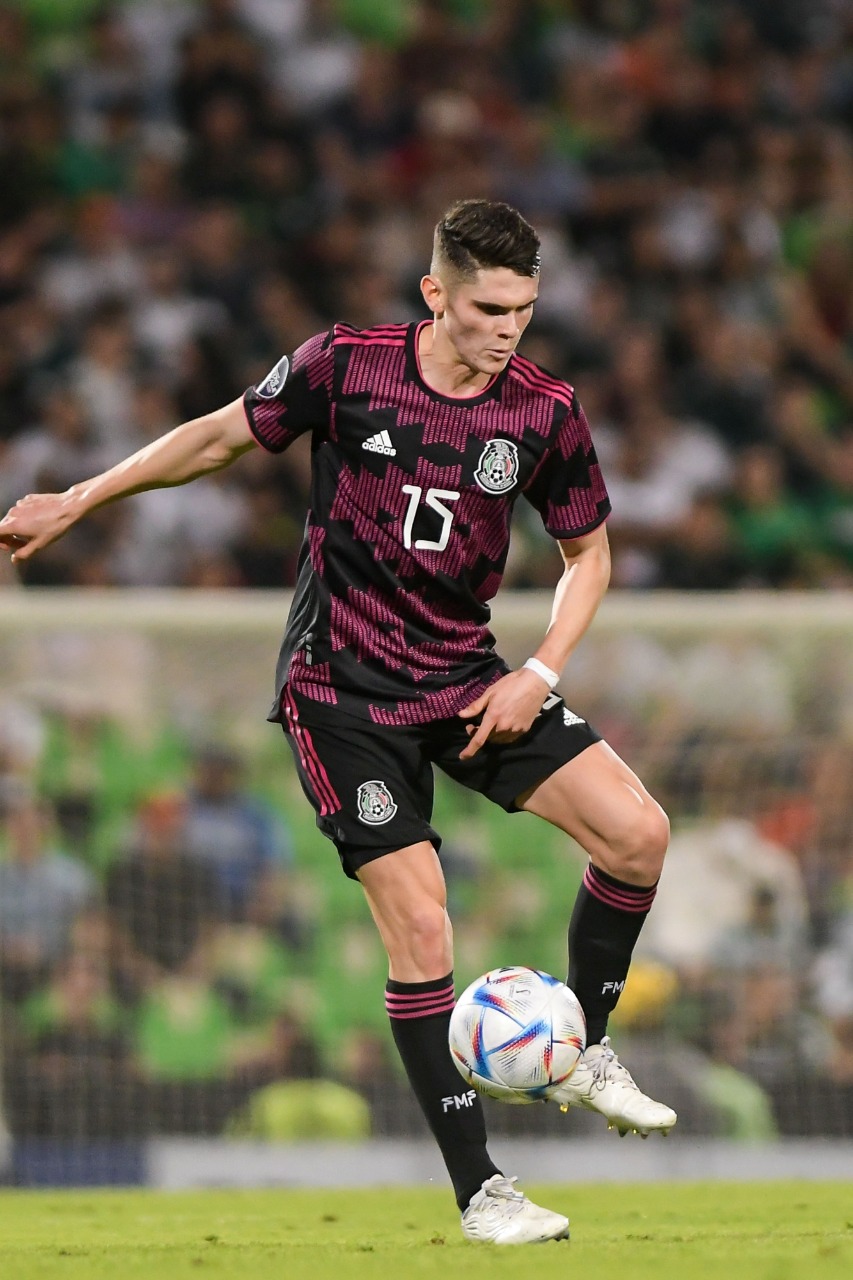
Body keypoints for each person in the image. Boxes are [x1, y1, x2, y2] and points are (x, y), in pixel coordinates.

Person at [1, 199, 675, 1244]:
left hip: (465, 678)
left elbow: (587, 556)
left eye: (524, 310)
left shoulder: (543, 411)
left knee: (639, 833)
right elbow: (218, 438)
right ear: (435, 293)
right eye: (488, 309)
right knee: (421, 923)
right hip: (341, 691)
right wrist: (78, 499)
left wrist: (540, 670)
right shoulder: (347, 366)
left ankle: (583, 1049)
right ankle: (483, 1192)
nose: (508, 330)